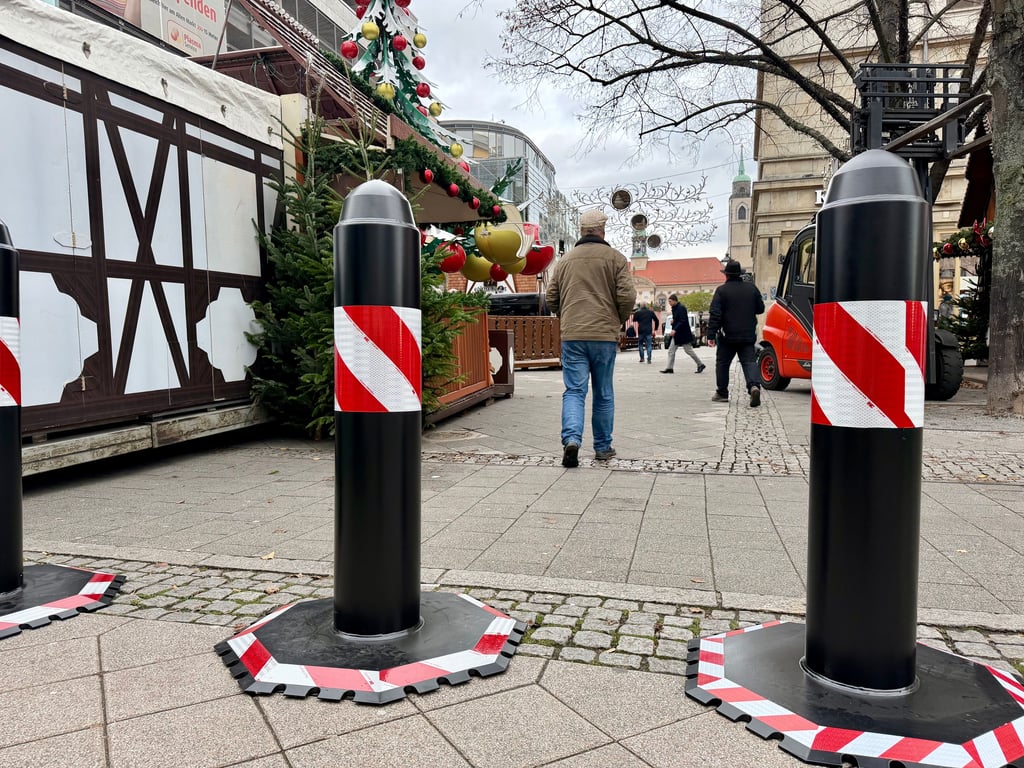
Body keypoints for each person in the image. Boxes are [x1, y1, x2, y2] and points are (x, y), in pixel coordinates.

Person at [545, 208, 636, 467]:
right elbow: (627, 297)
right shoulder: (615, 259)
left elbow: (551, 298)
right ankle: (603, 447)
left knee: (574, 390)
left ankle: (572, 441)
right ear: (602, 231)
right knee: (603, 391)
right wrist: (616, 319)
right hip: (603, 335)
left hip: (573, 335)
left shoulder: (565, 261)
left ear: (581, 231)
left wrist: (567, 313)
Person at [706, 260, 765, 407]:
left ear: (726, 275)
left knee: (723, 363)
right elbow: (760, 309)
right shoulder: (752, 289)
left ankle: (722, 393)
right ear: (740, 274)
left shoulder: (721, 291)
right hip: (747, 334)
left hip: (727, 336)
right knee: (749, 362)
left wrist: (711, 335)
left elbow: (715, 314)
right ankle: (753, 386)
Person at [660, 294, 705, 374]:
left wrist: (675, 329)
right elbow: (678, 319)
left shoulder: (681, 308)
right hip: (677, 334)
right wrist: (673, 321)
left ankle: (700, 364)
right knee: (671, 350)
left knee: (688, 350)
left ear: (674, 300)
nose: (669, 303)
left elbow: (683, 320)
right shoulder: (674, 308)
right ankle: (669, 368)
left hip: (683, 334)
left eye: (670, 301)